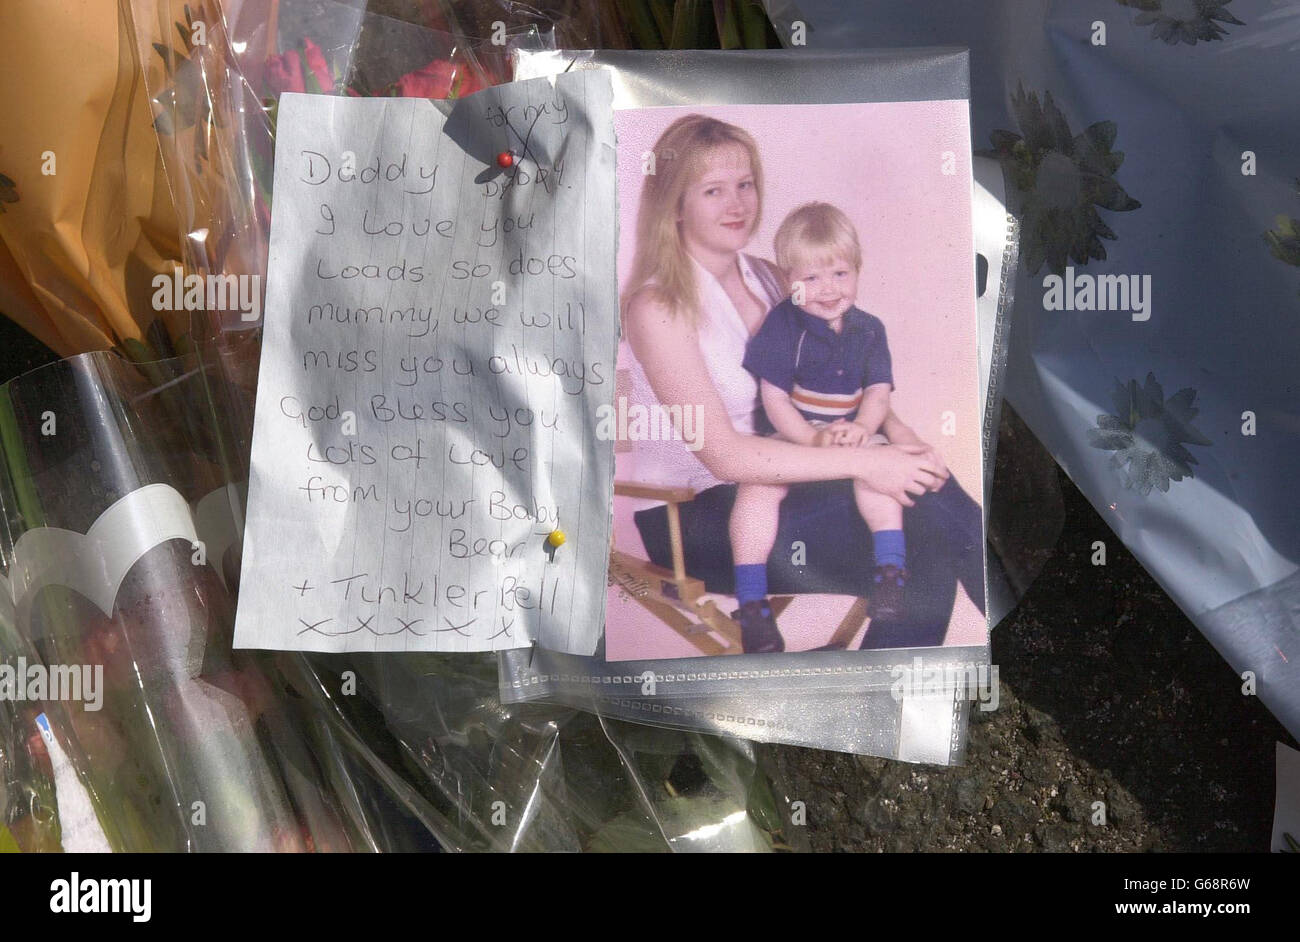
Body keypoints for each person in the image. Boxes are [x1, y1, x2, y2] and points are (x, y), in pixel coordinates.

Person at [620, 113, 984, 655]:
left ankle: (884, 699)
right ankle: (998, 647)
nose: (738, 204)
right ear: (674, 204)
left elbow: (844, 373)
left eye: (745, 184)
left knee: (923, 501)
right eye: (714, 190)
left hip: (790, 475)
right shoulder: (658, 306)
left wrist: (900, 438)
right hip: (697, 517)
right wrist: (869, 462)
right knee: (921, 517)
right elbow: (724, 457)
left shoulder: (772, 276)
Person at [736, 202, 933, 634]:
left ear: (857, 271)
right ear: (789, 283)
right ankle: (751, 602)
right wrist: (808, 439)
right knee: (756, 487)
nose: (828, 289)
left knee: (880, 475)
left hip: (852, 435)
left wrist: (863, 428)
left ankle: (890, 574)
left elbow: (878, 393)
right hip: (796, 436)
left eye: (840, 274)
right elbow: (774, 399)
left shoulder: (869, 329)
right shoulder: (783, 325)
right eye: (810, 278)